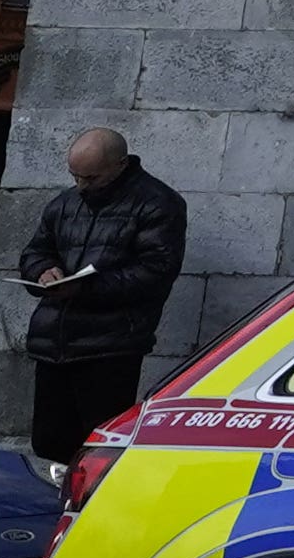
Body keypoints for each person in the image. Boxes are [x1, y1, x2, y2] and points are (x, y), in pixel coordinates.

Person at [10, 127, 188, 468]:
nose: (81, 185)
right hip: (55, 342)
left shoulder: (157, 203)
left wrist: (87, 287)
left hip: (111, 344)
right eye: (75, 176)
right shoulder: (64, 204)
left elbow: (155, 271)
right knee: (49, 442)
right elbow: (35, 251)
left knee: (98, 445)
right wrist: (43, 271)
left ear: (120, 165)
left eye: (91, 177)